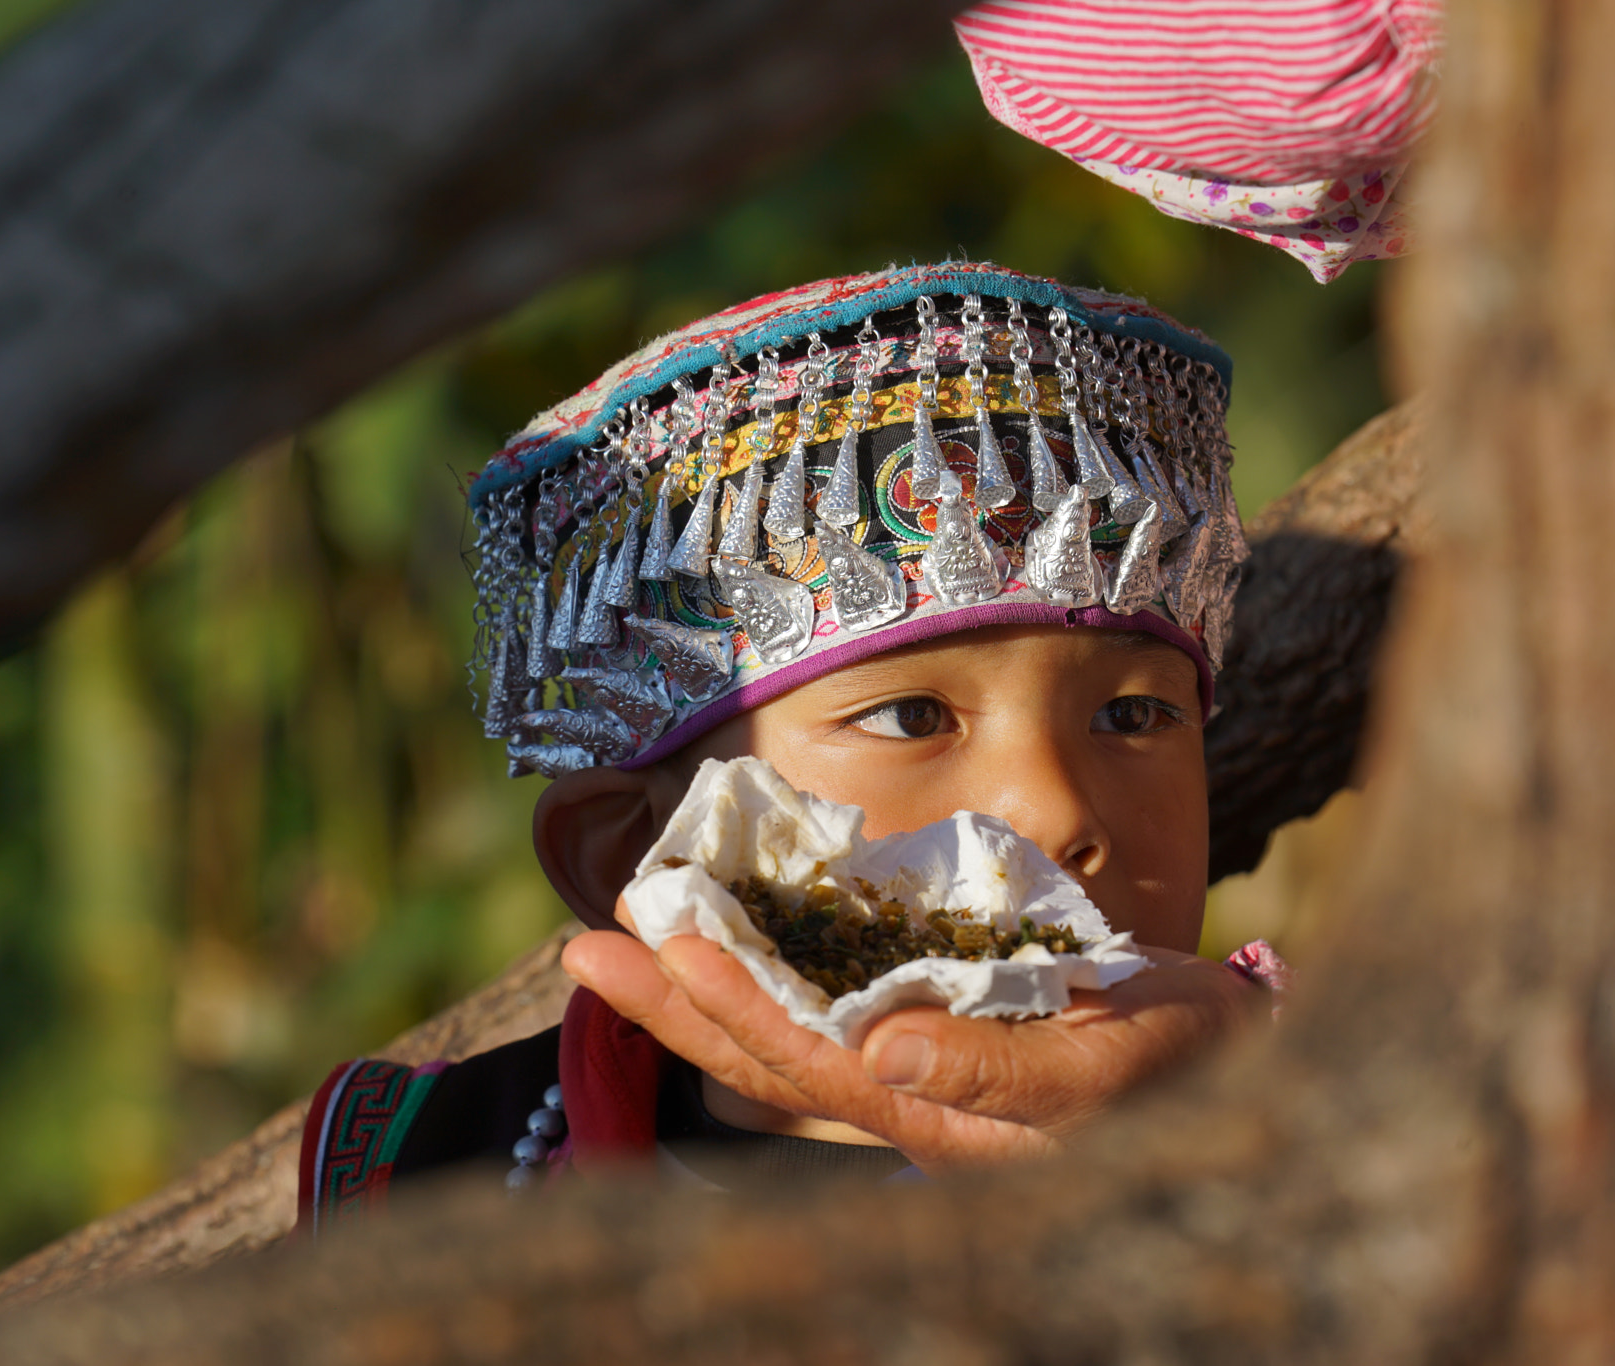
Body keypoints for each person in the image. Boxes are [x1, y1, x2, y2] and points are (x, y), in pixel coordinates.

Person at [294, 261, 1286, 1234]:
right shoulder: (429, 1177)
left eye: (1131, 717)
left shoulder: (1319, 1127)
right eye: (910, 717)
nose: (1058, 810)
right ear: (627, 858)